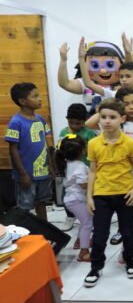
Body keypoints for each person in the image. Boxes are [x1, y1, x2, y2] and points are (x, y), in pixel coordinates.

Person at [86, 87, 133, 260]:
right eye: (126, 104)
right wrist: (108, 107)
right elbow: (89, 124)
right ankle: (127, 247)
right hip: (120, 179)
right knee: (126, 218)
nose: (131, 107)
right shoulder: (115, 122)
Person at [83, 98, 133, 288]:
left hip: (125, 193)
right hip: (101, 195)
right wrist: (89, 197)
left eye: (112, 117)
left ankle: (130, 260)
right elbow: (92, 170)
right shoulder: (93, 143)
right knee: (100, 233)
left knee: (128, 231)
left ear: (122, 119)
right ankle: (96, 266)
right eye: (103, 117)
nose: (107, 121)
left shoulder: (129, 143)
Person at [4, 82, 55, 221]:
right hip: (27, 175)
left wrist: (51, 166)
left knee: (42, 202)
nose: (40, 99)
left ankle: (45, 231)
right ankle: (24, 235)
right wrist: (23, 174)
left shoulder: (41, 119)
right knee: (24, 207)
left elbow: (46, 144)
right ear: (22, 101)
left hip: (43, 172)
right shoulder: (16, 122)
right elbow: (13, 150)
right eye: (35, 96)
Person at [80, 34, 133, 113]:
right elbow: (88, 83)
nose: (124, 79)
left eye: (128, 76)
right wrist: (81, 58)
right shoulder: (113, 94)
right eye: (121, 77)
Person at [57, 40, 125, 115]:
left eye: (110, 64)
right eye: (95, 65)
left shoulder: (123, 84)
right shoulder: (86, 83)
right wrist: (63, 60)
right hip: (91, 123)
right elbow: (65, 84)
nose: (103, 71)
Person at [58, 103, 97, 233]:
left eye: (78, 123)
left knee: (87, 195)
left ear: (84, 121)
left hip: (85, 172)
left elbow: (94, 151)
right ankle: (70, 216)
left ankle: (89, 218)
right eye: (71, 123)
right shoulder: (64, 132)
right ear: (67, 119)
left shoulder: (89, 133)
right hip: (69, 172)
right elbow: (59, 150)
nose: (74, 126)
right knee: (67, 195)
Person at [55, 134, 92, 262]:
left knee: (84, 222)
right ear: (82, 150)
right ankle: (84, 252)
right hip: (76, 200)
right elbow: (83, 185)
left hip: (72, 200)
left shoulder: (68, 163)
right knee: (87, 223)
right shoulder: (79, 166)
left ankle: (80, 242)